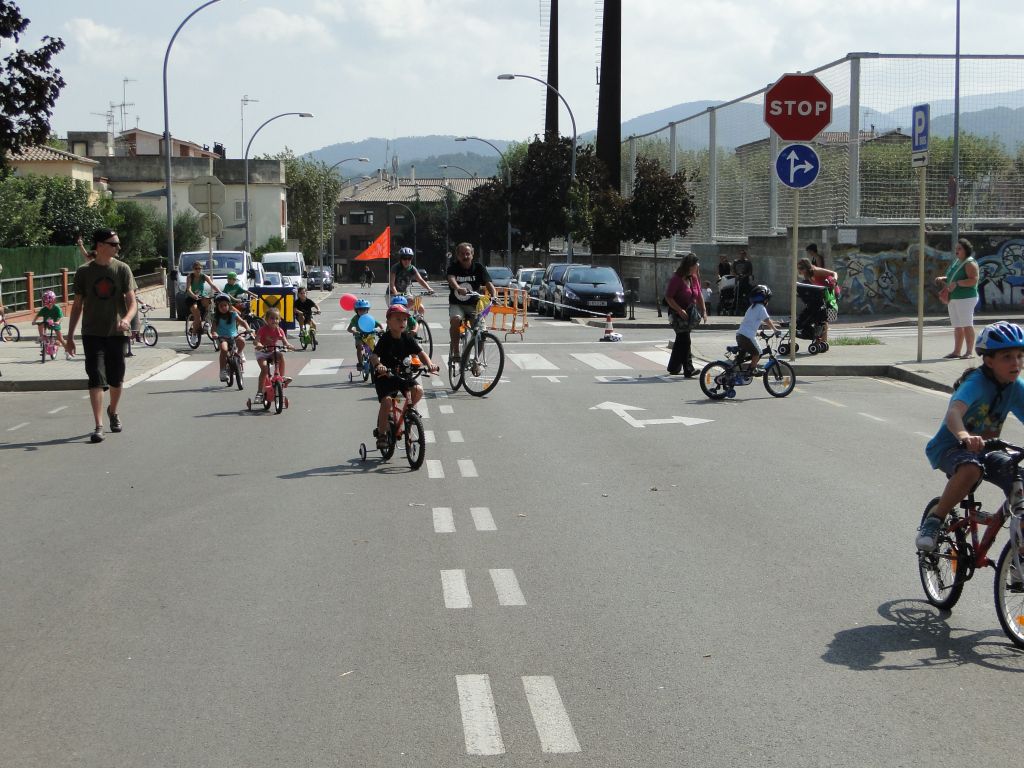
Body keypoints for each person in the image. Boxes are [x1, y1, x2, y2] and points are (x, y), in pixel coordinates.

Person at [917, 321, 1024, 551]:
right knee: (970, 469)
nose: (1016, 362)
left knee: (1019, 481)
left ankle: (1019, 559)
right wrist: (964, 435)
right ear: (989, 360)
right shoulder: (976, 382)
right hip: (952, 447)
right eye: (1007, 357)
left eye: (1019, 356)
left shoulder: (1015, 387)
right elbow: (954, 412)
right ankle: (935, 520)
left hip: (988, 449)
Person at [65, 228, 137, 443]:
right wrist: (69, 337)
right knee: (95, 376)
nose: (118, 247)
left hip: (116, 332)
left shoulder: (123, 269)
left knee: (116, 378)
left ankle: (113, 411)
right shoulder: (84, 272)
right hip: (92, 332)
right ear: (100, 245)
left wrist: (126, 319)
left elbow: (132, 302)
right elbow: (77, 306)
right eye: (114, 244)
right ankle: (98, 426)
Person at [369, 303, 439, 451]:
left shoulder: (407, 337)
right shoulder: (386, 339)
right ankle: (381, 434)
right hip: (385, 376)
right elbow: (374, 356)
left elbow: (420, 353)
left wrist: (430, 364)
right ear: (388, 321)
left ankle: (408, 414)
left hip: (402, 374)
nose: (402, 323)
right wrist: (378, 366)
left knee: (418, 390)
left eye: (404, 320)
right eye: (398, 319)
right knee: (387, 402)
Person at [446, 242, 496, 359]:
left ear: (472, 255)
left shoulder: (478, 268)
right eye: (462, 254)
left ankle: (476, 361)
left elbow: (489, 284)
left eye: (468, 254)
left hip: (475, 306)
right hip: (457, 304)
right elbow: (451, 279)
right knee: (455, 320)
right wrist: (458, 288)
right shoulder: (453, 267)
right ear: (457, 256)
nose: (465, 256)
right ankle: (456, 352)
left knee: (482, 333)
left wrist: (494, 296)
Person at [934, 238, 980, 360]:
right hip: (954, 297)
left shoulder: (970, 263)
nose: (957, 251)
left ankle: (969, 352)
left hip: (966, 298)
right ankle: (957, 351)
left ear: (966, 250)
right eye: (956, 249)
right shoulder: (957, 262)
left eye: (959, 248)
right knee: (957, 325)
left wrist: (958, 283)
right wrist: (943, 278)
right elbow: (951, 277)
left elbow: (974, 280)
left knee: (967, 324)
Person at [663, 253, 707, 377]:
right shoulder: (676, 279)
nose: (698, 267)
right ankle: (689, 369)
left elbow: (699, 295)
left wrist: (704, 310)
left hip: (689, 312)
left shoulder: (693, 278)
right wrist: (679, 310)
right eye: (696, 265)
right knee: (685, 340)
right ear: (690, 266)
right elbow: (668, 297)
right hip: (677, 314)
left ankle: (674, 367)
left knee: (680, 340)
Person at [253, 306, 295, 403]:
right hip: (262, 353)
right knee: (265, 369)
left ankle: (282, 377)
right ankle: (259, 392)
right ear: (266, 319)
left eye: (276, 318)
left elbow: (285, 342)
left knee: (280, 355)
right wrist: (259, 344)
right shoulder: (263, 329)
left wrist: (288, 346)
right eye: (271, 318)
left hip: (272, 352)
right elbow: (256, 341)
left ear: (279, 320)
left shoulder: (279, 330)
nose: (274, 320)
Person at [735, 284, 779, 373]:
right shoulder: (761, 308)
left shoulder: (751, 308)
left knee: (743, 356)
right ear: (766, 299)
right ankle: (752, 370)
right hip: (747, 336)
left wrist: (759, 332)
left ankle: (737, 369)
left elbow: (753, 322)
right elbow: (766, 320)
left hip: (740, 335)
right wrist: (775, 330)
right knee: (758, 353)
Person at [797, 257, 841, 342]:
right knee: (822, 317)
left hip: (832, 293)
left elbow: (833, 273)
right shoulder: (807, 276)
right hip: (824, 294)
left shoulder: (816, 271)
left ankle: (823, 340)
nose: (800, 271)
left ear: (807, 267)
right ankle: (821, 340)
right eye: (798, 268)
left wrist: (834, 279)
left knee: (824, 317)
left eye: (801, 268)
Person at [210, 293, 251, 382]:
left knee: (242, 341)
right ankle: (223, 371)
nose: (224, 307)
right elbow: (213, 329)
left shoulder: (233, 314)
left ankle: (239, 353)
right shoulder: (216, 317)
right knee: (224, 350)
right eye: (221, 306)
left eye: (225, 305)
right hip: (222, 337)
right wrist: (214, 334)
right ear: (217, 307)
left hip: (234, 336)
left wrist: (248, 328)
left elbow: (243, 322)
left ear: (229, 305)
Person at [34, 289, 70, 357]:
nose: (47, 304)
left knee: (61, 339)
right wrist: (34, 321)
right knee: (40, 324)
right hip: (47, 323)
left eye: (48, 302)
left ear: (52, 301)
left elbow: (61, 317)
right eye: (45, 302)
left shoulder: (57, 308)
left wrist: (58, 322)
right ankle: (42, 337)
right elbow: (37, 315)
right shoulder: (44, 309)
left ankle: (67, 351)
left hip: (55, 324)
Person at [186, 260, 217, 336]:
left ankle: (207, 321)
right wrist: (193, 295)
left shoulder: (204, 276)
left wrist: (221, 292)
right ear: (193, 269)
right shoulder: (190, 276)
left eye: (199, 268)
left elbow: (212, 285)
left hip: (201, 296)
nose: (198, 270)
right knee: (197, 315)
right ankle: (193, 334)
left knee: (209, 302)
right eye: (196, 268)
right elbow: (188, 289)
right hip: (191, 297)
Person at [349, 298, 382, 367]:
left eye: (364, 309)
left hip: (370, 335)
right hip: (360, 336)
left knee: (375, 349)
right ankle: (360, 363)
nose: (362, 311)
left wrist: (381, 330)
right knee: (359, 347)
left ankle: (377, 364)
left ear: (367, 310)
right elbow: (349, 329)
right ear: (356, 310)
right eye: (360, 309)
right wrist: (354, 332)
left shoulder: (369, 318)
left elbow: (379, 324)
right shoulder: (355, 319)